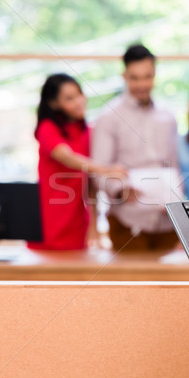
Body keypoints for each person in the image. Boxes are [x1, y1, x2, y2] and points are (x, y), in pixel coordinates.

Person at [91, 44, 180, 251]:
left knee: (172, 284)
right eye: (135, 77)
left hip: (167, 224)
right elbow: (99, 170)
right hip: (127, 224)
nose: (142, 84)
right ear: (124, 76)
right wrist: (121, 191)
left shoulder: (168, 116)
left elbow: (174, 164)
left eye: (147, 77)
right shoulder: (109, 117)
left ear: (155, 74)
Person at [28, 73, 125, 251]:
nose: (79, 101)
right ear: (54, 103)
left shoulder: (88, 132)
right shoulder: (47, 128)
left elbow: (90, 186)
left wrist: (94, 226)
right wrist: (107, 169)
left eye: (79, 94)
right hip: (49, 218)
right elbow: (68, 157)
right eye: (69, 98)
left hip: (77, 221)